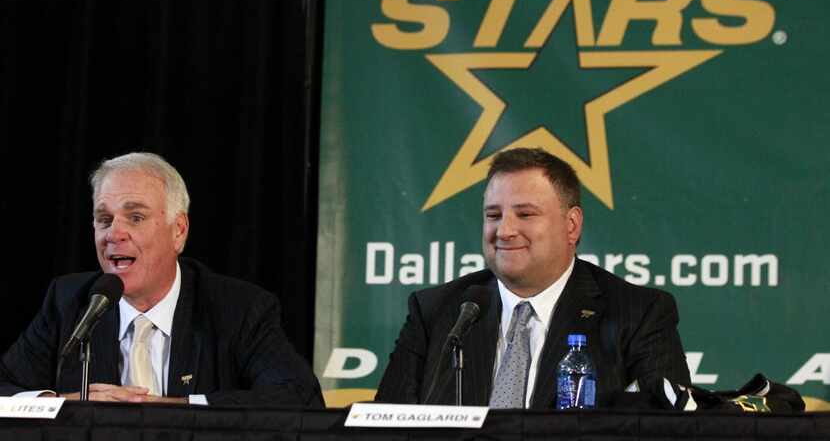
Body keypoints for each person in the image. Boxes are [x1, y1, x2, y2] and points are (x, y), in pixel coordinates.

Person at [0, 152, 323, 406]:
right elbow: (5, 386)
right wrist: (60, 403)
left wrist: (171, 409)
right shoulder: (70, 301)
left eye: (136, 217)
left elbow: (298, 397)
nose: (114, 233)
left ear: (178, 231)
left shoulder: (238, 309)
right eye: (104, 219)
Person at [375, 147, 691, 408]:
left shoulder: (639, 314)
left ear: (572, 225)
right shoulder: (437, 311)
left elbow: (670, 429)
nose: (505, 230)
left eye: (525, 214)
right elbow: (382, 427)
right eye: (493, 215)